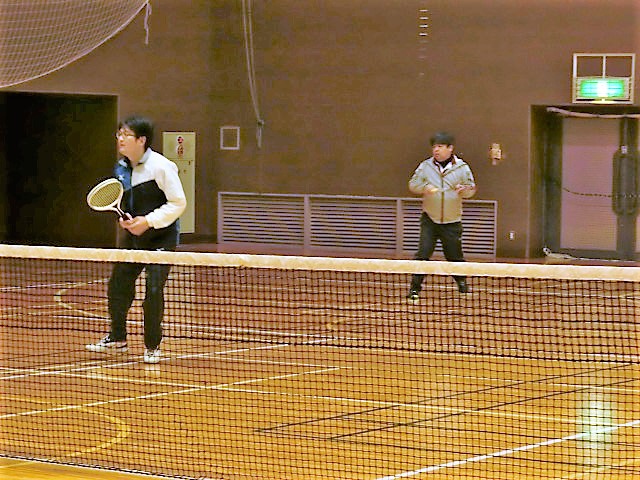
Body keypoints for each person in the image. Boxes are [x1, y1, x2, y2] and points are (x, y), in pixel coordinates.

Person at [86, 115, 187, 364]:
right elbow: (125, 201)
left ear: (141, 140)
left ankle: (152, 346)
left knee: (153, 290)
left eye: (126, 135)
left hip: (161, 239)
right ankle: (117, 338)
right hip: (133, 239)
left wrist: (148, 221)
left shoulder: (161, 166)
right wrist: (126, 220)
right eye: (119, 134)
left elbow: (178, 203)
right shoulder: (120, 168)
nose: (120, 139)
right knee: (118, 285)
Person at [407, 132, 476, 300]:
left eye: (440, 146)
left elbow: (471, 189)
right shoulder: (425, 166)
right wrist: (424, 188)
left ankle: (461, 283)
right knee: (422, 254)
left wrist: (465, 190)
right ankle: (414, 289)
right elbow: (413, 185)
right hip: (430, 219)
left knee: (454, 256)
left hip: (452, 221)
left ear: (450, 148)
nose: (436, 150)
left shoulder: (462, 168)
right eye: (434, 147)